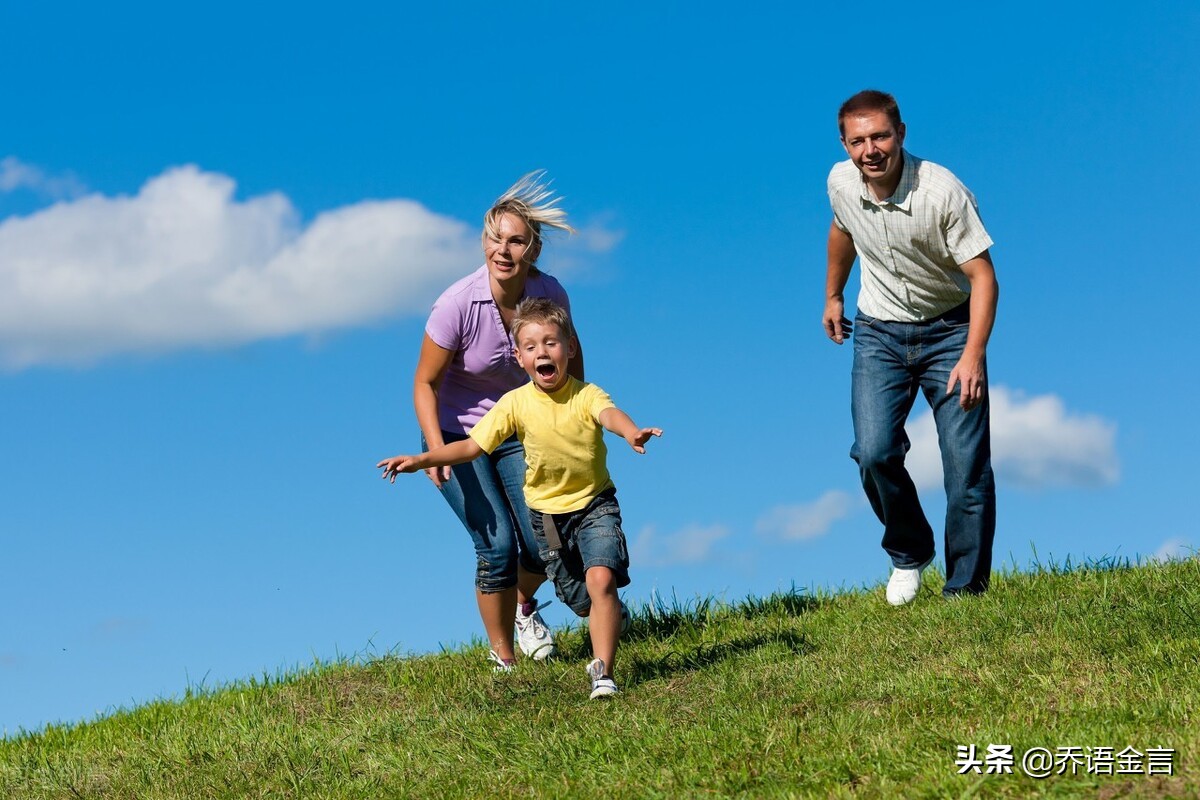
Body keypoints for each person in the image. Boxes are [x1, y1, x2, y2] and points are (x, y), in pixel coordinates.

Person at [379, 297, 660, 698]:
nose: (542, 352)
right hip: (549, 518)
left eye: (551, 342)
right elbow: (472, 447)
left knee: (602, 581)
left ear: (570, 349)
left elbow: (608, 414)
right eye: (531, 346)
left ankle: (604, 675)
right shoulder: (514, 404)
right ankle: (592, 612)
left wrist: (631, 432)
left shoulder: (586, 394)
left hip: (596, 504)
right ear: (519, 358)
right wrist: (422, 457)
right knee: (583, 599)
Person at [399, 172, 582, 670]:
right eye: (495, 238)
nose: (503, 249)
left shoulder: (548, 294)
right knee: (497, 545)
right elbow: (424, 383)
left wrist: (575, 417)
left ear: (534, 249)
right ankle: (504, 660)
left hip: (519, 428)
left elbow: (569, 355)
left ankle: (524, 609)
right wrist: (434, 448)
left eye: (516, 240)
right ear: (484, 242)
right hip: (456, 430)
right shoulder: (456, 304)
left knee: (548, 540)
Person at [823, 90, 999, 605]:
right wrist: (833, 294)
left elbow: (984, 278)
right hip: (878, 330)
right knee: (874, 452)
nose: (870, 150)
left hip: (951, 332)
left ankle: (964, 589)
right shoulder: (840, 182)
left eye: (880, 136)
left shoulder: (942, 193)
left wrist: (973, 354)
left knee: (965, 464)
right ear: (844, 144)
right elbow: (841, 231)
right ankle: (909, 551)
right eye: (858, 141)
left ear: (901, 133)